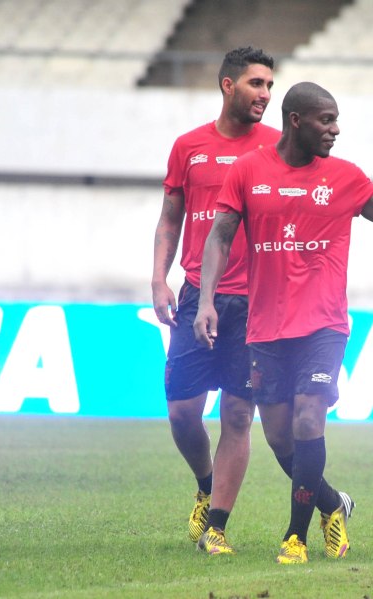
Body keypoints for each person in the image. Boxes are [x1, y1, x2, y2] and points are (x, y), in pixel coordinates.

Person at [194, 81, 373, 564]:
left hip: (323, 325)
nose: (335, 129)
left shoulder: (344, 176)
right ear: (295, 121)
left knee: (311, 416)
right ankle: (332, 504)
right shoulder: (248, 171)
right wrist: (206, 300)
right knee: (280, 439)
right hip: (265, 327)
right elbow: (219, 237)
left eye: (335, 120)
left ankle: (295, 536)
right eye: (325, 120)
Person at [151, 46, 282, 554]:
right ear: (228, 85)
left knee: (237, 415)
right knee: (183, 412)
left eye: (270, 85)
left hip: (255, 302)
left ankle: (217, 528)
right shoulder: (189, 147)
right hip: (196, 295)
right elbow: (170, 218)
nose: (265, 95)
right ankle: (206, 484)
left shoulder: (278, 147)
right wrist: (158, 280)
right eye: (256, 84)